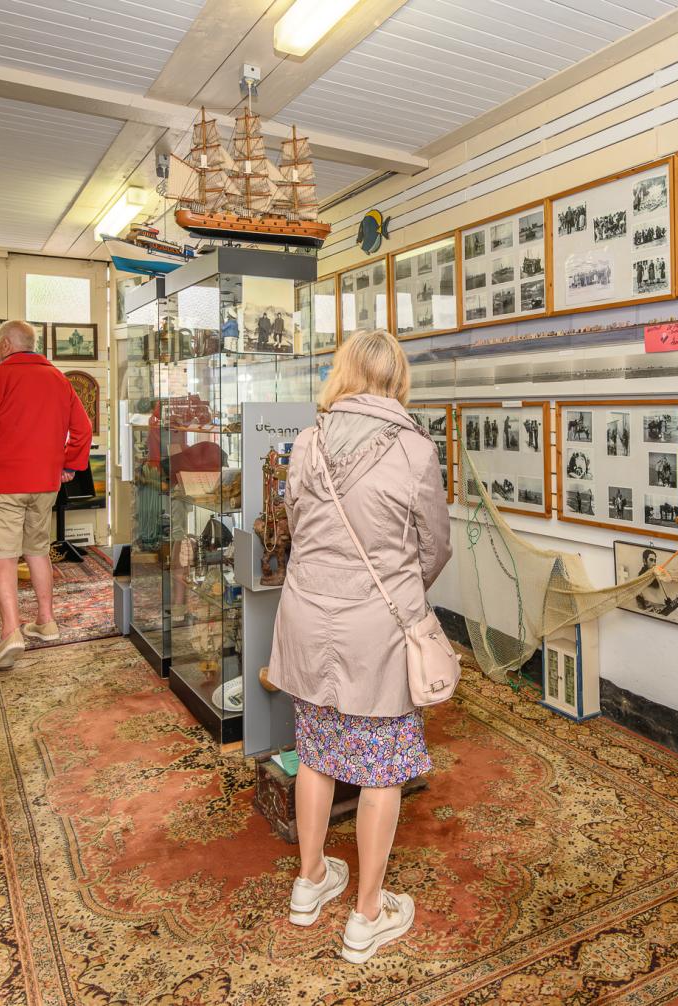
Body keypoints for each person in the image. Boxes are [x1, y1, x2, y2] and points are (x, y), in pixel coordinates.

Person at [266, 329, 452, 964]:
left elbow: (295, 527)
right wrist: (396, 591)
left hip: (306, 616)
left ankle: (310, 881)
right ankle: (366, 915)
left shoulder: (308, 441)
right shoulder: (415, 449)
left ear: (343, 373)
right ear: (398, 378)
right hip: (377, 629)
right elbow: (435, 548)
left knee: (315, 754)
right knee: (382, 770)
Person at [0, 320, 92, 670]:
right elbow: (83, 429)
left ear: (6, 345)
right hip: (45, 483)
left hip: (2, 483)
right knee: (38, 549)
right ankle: (46, 621)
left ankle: (11, 632)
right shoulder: (59, 379)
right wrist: (70, 465)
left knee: (3, 554)